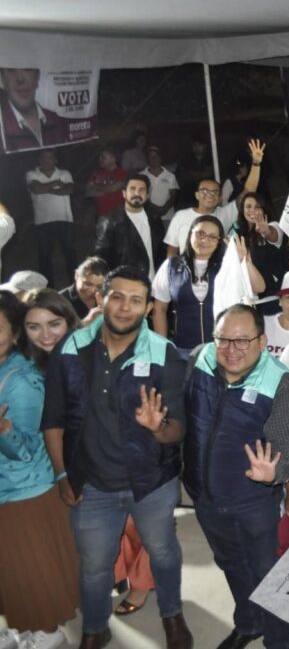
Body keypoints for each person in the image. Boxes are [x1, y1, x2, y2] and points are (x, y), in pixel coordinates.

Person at [41, 265, 194, 649]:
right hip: (90, 482)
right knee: (94, 566)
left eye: (136, 300)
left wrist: (158, 427)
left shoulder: (164, 354)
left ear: (147, 309)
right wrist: (62, 476)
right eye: (118, 296)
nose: (125, 307)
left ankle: (171, 614)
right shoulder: (71, 349)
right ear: (101, 298)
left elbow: (179, 428)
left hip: (151, 483)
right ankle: (95, 627)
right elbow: (54, 418)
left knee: (162, 551)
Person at [183, 304, 289, 649]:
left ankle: (280, 642)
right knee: (231, 565)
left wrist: (275, 473)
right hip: (204, 496)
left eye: (242, 341)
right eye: (224, 339)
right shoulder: (200, 359)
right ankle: (249, 623)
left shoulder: (279, 381)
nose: (231, 349)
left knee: (269, 575)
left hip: (254, 504)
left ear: (262, 341)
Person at [0, 290, 79, 648]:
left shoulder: (21, 379)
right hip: (8, 492)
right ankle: (25, 628)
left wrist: (4, 432)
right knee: (13, 574)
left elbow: (32, 449)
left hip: (24, 492)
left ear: (13, 333)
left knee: (32, 572)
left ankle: (46, 634)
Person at [152, 216, 266, 352]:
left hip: (221, 349)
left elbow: (260, 287)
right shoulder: (172, 266)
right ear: (190, 234)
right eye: (200, 234)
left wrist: (244, 261)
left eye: (212, 237)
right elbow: (159, 309)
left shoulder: (227, 265)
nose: (205, 240)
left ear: (219, 242)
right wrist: (163, 347)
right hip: (182, 349)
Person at [94, 174, 165, 280]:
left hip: (154, 283)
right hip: (127, 284)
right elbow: (100, 258)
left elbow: (162, 251)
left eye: (141, 190)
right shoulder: (109, 221)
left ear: (147, 195)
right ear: (124, 193)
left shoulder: (154, 218)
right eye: (132, 189)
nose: (137, 193)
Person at [26, 148, 76, 286]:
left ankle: (75, 285)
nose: (47, 160)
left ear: (56, 160)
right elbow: (36, 189)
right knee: (44, 258)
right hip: (42, 222)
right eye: (44, 157)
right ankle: (48, 289)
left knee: (70, 255)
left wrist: (45, 188)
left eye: (50, 157)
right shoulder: (31, 174)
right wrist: (56, 185)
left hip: (64, 220)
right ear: (39, 160)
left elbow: (70, 189)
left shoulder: (65, 173)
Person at [230, 191, 289, 302]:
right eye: (248, 206)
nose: (252, 210)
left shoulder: (274, 226)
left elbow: (273, 235)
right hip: (254, 300)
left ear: (264, 209)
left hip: (280, 295)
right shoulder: (237, 236)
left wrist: (266, 231)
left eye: (257, 206)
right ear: (242, 210)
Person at [164, 177, 243, 256]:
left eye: (215, 192)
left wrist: (255, 166)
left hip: (218, 267)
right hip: (187, 267)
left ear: (220, 198)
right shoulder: (181, 216)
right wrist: (172, 267)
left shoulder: (225, 214)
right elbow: (172, 248)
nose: (209, 195)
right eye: (204, 191)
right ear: (197, 195)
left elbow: (245, 195)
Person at [0, 67, 67, 152]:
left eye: (27, 69)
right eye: (11, 70)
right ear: (3, 78)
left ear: (37, 76)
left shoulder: (56, 120)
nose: (20, 79)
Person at [22, 287, 82, 369]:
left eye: (54, 324)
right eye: (34, 327)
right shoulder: (25, 366)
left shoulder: (91, 359)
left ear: (69, 322)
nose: (46, 335)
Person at [61, 256, 108, 321]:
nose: (92, 291)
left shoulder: (107, 296)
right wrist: (87, 321)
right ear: (76, 275)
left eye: (99, 287)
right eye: (88, 284)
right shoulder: (59, 301)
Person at [85, 148, 128, 218]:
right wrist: (106, 190)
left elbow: (113, 189)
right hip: (100, 214)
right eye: (99, 157)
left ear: (113, 158)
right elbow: (88, 192)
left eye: (103, 157)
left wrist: (95, 186)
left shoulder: (121, 172)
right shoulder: (96, 173)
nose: (100, 159)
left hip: (117, 214)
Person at [140, 145, 179, 222]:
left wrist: (163, 210)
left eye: (155, 156)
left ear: (161, 158)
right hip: (148, 217)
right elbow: (140, 196)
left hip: (168, 216)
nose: (152, 159)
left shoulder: (170, 176)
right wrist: (157, 210)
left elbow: (173, 197)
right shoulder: (141, 175)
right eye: (150, 156)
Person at [176, 136, 215, 201]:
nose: (197, 147)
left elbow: (209, 174)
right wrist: (202, 174)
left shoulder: (211, 159)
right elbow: (183, 176)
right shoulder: (185, 160)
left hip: (207, 195)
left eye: (199, 145)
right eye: (194, 145)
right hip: (189, 195)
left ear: (205, 146)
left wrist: (191, 174)